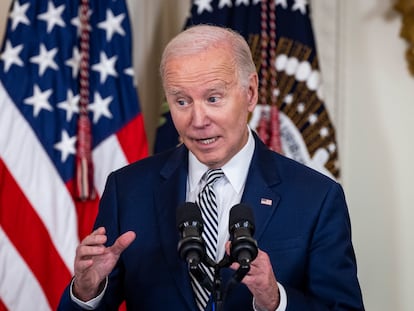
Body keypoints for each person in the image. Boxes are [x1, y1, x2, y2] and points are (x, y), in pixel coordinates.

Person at [58, 24, 364, 311]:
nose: (198, 120)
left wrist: (275, 300)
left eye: (213, 98)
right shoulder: (127, 190)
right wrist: (86, 291)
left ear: (250, 93)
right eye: (182, 101)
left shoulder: (316, 197)